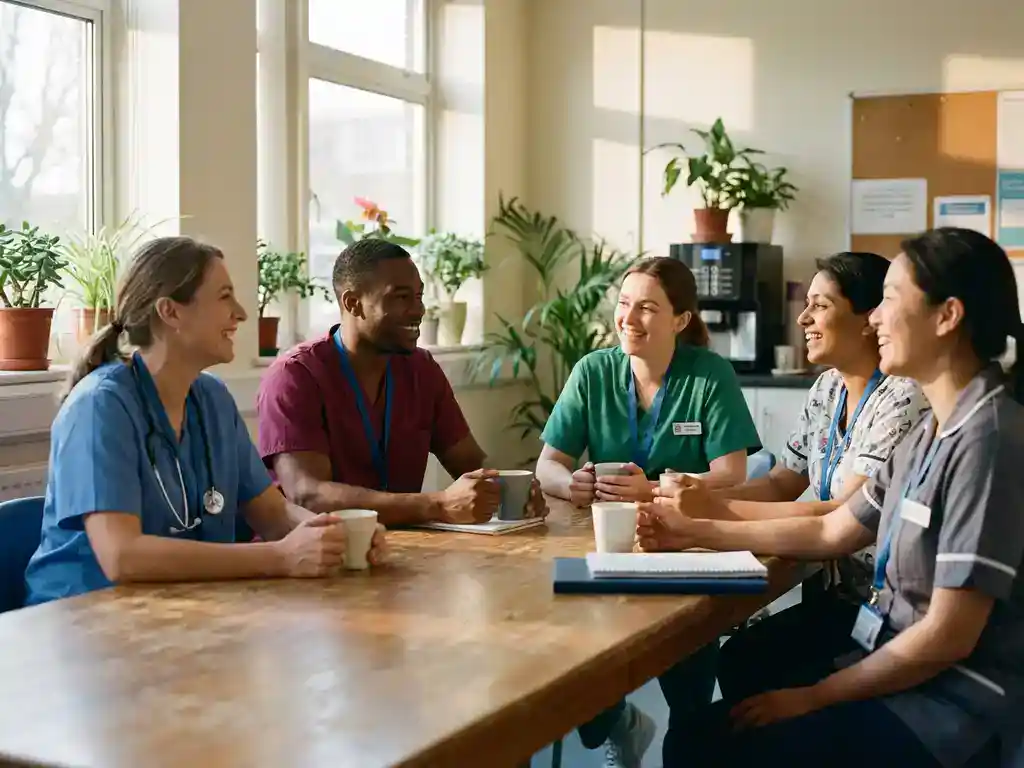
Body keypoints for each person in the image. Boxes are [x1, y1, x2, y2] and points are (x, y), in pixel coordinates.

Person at [640, 228, 1024, 767]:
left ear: (947, 316)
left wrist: (816, 697)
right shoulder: (930, 434)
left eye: (889, 299)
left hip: (948, 705)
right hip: (892, 662)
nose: (874, 319)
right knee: (714, 721)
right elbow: (834, 529)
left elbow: (946, 637)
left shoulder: (989, 440)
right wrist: (697, 529)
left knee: (704, 743)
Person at [24, 237, 387, 606]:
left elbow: (272, 514)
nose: (242, 313)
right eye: (224, 296)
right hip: (82, 621)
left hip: (177, 610)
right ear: (171, 312)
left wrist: (335, 535)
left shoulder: (212, 399)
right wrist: (279, 557)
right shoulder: (99, 407)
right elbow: (122, 556)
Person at [536, 256, 762, 768]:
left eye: (647, 308)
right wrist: (571, 484)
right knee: (587, 659)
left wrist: (655, 489)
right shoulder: (592, 372)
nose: (628, 319)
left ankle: (685, 741)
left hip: (684, 543)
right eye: (623, 304)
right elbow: (547, 464)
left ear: (680, 320)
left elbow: (733, 472)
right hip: (600, 540)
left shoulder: (708, 375)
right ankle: (618, 723)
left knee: (685, 663)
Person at [675, 252, 927, 698]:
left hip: (879, 606)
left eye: (821, 305)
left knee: (751, 663)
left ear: (870, 319)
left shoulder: (902, 396)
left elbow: (842, 513)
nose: (804, 319)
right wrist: (700, 489)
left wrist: (710, 512)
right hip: (834, 595)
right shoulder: (827, 387)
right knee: (741, 657)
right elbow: (782, 481)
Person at [257, 238, 546, 526]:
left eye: (419, 297)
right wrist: (437, 504)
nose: (418, 310)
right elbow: (309, 494)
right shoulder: (295, 376)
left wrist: (510, 490)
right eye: (400, 297)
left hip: (398, 550)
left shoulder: (421, 369)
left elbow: (470, 461)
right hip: (309, 557)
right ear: (353, 303)